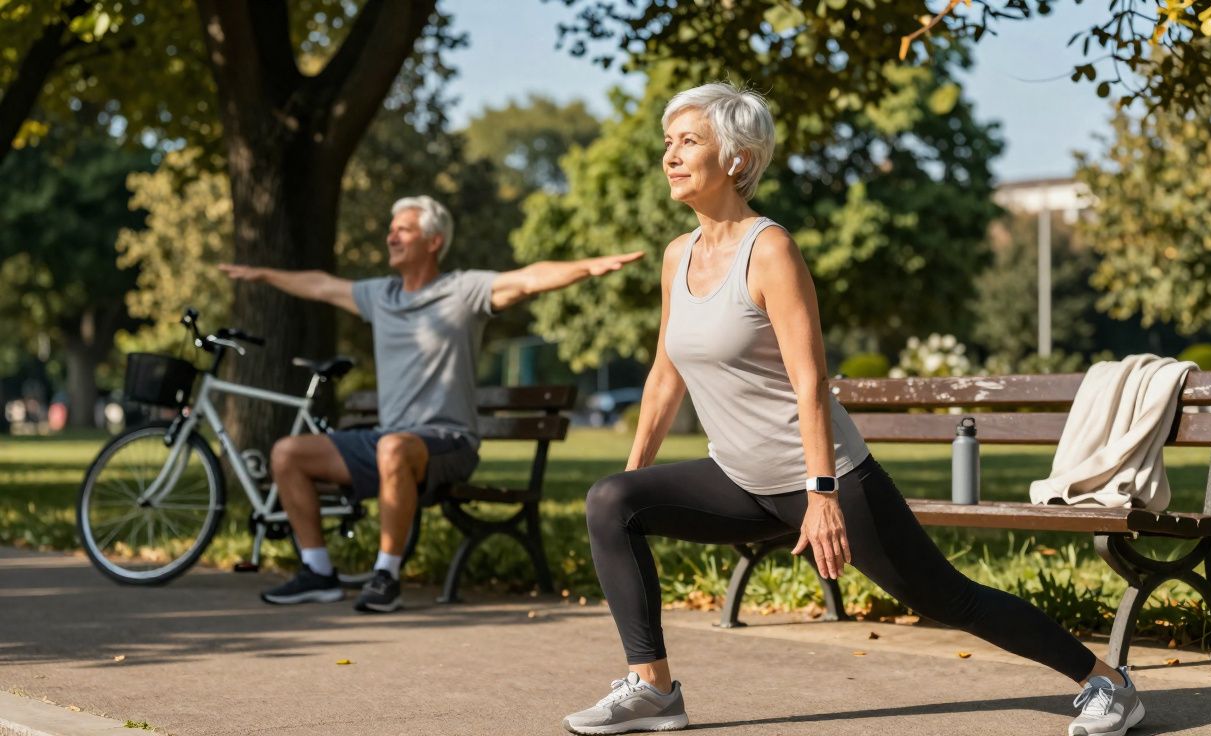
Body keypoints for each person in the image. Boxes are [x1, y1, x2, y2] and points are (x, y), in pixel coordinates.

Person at [561, 84, 1145, 736]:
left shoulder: (770, 249)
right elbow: (665, 375)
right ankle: (652, 689)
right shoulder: (679, 256)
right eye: (668, 142)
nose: (670, 156)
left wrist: (822, 493)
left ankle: (1106, 682)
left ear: (735, 158)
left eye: (689, 141)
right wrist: (635, 477)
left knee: (945, 597)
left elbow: (810, 381)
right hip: (739, 478)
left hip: (823, 474)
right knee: (611, 500)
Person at [220, 195, 641, 613]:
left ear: (434, 241)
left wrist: (588, 266)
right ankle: (318, 572)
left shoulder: (462, 290)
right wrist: (263, 274)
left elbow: (527, 279)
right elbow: (320, 285)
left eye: (403, 230)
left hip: (449, 443)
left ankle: (385, 576)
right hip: (390, 442)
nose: (391, 237)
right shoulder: (380, 296)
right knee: (288, 453)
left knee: (392, 447)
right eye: (391, 230)